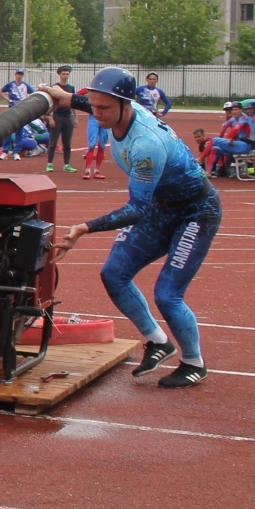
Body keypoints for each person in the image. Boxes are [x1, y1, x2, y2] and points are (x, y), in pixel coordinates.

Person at [47, 68, 217, 389]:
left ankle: (194, 362)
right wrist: (66, 98)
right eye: (93, 107)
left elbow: (136, 209)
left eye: (104, 109)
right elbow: (94, 103)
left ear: (125, 105)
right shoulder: (118, 108)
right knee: (114, 274)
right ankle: (158, 342)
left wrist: (85, 227)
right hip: (160, 207)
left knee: (167, 296)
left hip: (195, 213)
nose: (96, 115)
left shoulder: (146, 145)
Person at [205, 102, 252, 177]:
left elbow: (236, 129)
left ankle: (200, 160)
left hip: (245, 144)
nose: (231, 112)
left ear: (240, 110)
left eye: (235, 110)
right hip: (237, 143)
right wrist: (223, 139)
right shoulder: (233, 119)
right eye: (232, 110)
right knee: (215, 148)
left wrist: (230, 139)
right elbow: (224, 127)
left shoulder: (244, 118)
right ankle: (209, 172)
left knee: (214, 140)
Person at [47, 65, 77, 173]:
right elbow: (50, 104)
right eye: (63, 74)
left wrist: (75, 118)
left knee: (67, 143)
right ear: (59, 74)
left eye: (67, 74)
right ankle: (50, 164)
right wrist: (50, 118)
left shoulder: (71, 88)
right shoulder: (54, 87)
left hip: (68, 117)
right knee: (53, 142)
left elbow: (73, 104)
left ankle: (67, 164)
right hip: (57, 116)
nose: (65, 76)